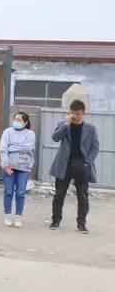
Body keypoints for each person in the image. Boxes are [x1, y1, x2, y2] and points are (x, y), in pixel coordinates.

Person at [50, 100, 99, 233]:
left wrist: (87, 163)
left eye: (77, 113)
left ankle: (81, 223)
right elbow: (55, 138)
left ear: (83, 113)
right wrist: (66, 124)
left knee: (83, 196)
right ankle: (56, 220)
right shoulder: (63, 124)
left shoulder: (90, 128)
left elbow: (95, 148)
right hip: (64, 164)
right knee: (59, 194)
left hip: (81, 164)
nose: (75, 116)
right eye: (72, 113)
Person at [0, 111, 36, 227]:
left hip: (24, 167)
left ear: (25, 122)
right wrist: (6, 165)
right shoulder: (7, 132)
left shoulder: (30, 134)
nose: (16, 122)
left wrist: (12, 147)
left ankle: (18, 216)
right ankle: (8, 215)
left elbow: (28, 147)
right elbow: (3, 148)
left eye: (19, 120)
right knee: (8, 191)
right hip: (9, 165)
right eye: (15, 119)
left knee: (21, 192)